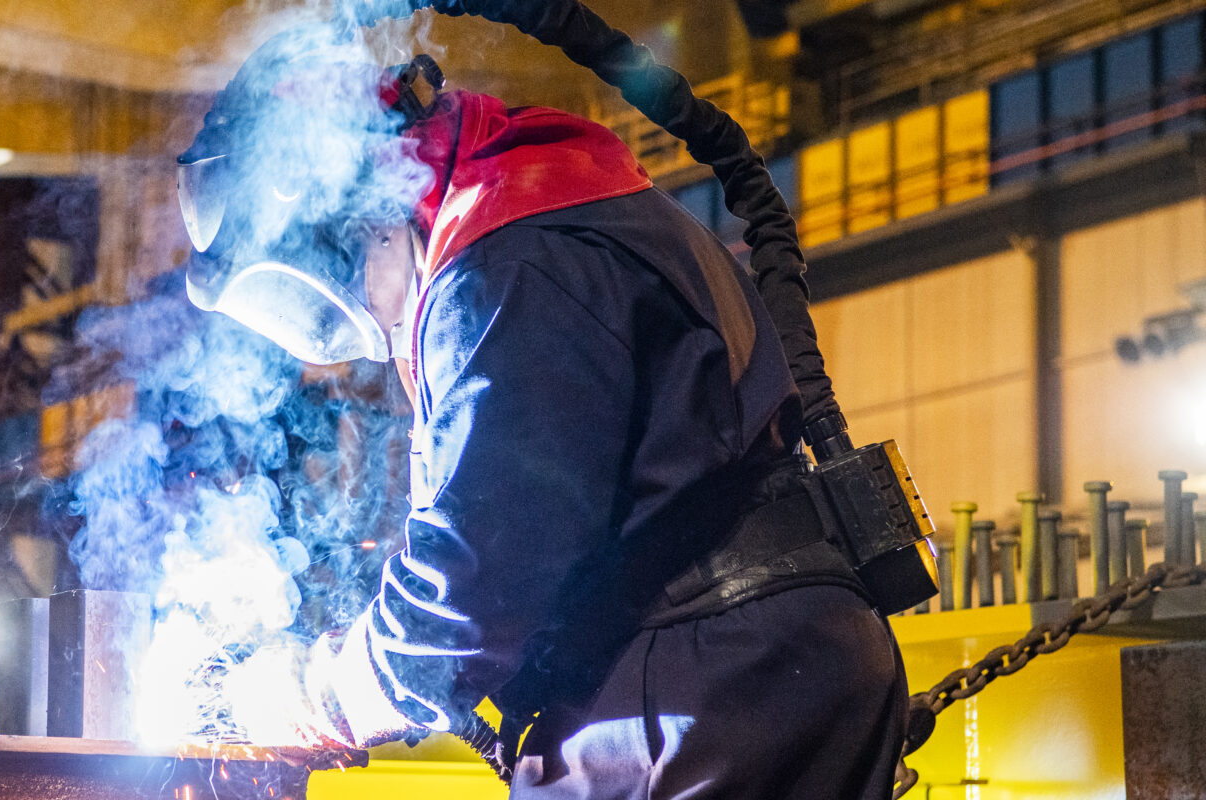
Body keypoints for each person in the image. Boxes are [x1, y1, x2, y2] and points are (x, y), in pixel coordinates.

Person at [178, 24, 908, 800]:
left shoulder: (506, 267)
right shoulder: (556, 204)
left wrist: (308, 695)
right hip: (756, 670)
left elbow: (470, 588)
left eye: (351, 290)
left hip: (703, 695)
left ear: (360, 213)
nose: (376, 330)